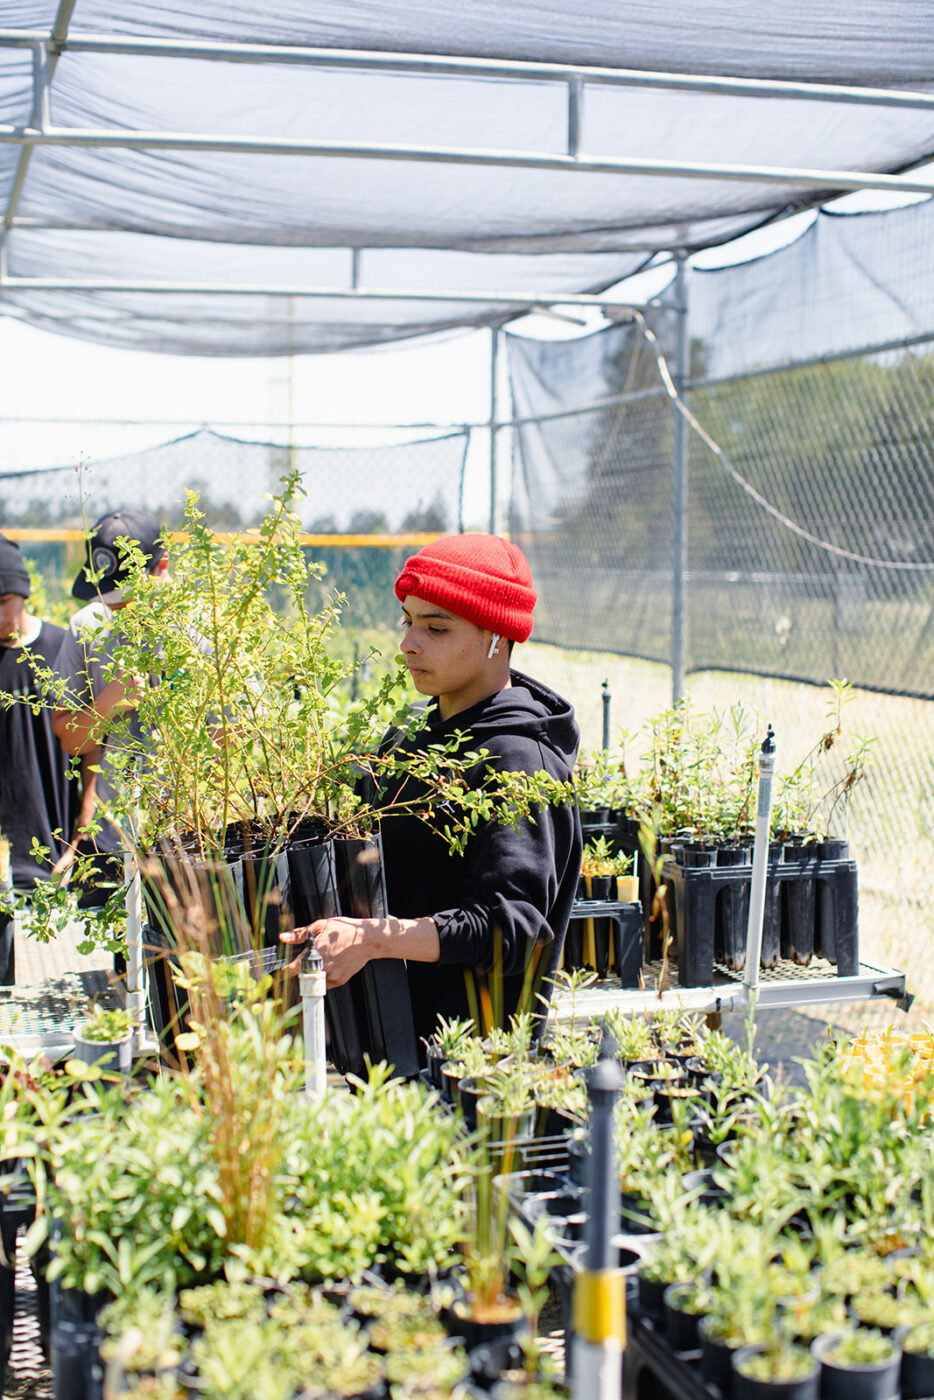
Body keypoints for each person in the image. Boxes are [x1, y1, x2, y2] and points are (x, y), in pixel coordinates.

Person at [282, 532, 583, 1049]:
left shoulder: (518, 763)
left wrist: (372, 939)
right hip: (387, 1044)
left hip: (468, 1067)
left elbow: (511, 928)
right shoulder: (417, 737)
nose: (408, 644)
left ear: (496, 635)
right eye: (409, 621)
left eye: (436, 627)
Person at [51, 508, 167, 909]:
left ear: (161, 570)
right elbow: (69, 738)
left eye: (128, 597)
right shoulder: (87, 627)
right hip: (115, 835)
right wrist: (107, 704)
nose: (117, 609)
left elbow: (234, 739)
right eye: (110, 598)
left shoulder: (203, 631)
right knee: (126, 961)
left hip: (191, 834)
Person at [0, 534, 81, 979]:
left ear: (25, 594)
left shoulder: (61, 649)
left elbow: (96, 755)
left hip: (62, 864)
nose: (0, 615)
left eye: (6, 599)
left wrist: (80, 841)